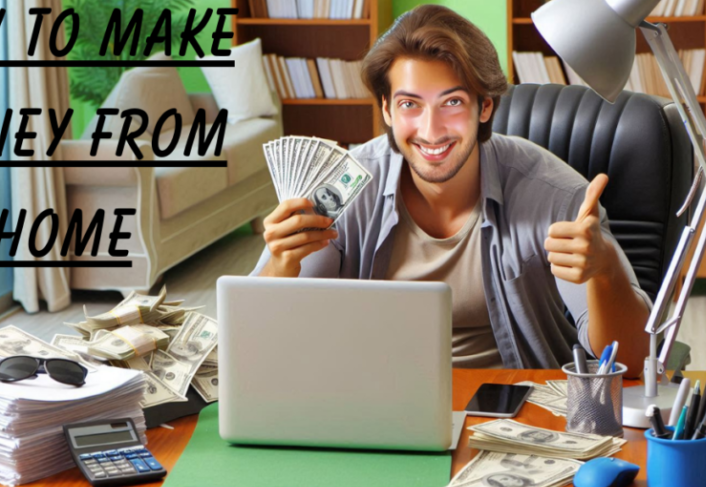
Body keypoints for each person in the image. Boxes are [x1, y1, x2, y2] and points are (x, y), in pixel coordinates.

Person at [252, 5, 651, 375]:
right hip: (374, 399)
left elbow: (632, 364)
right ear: (387, 110)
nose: (431, 130)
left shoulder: (554, 193)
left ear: (486, 107)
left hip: (512, 412)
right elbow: (265, 345)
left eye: (452, 102)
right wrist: (279, 266)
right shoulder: (345, 186)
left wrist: (607, 274)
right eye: (410, 104)